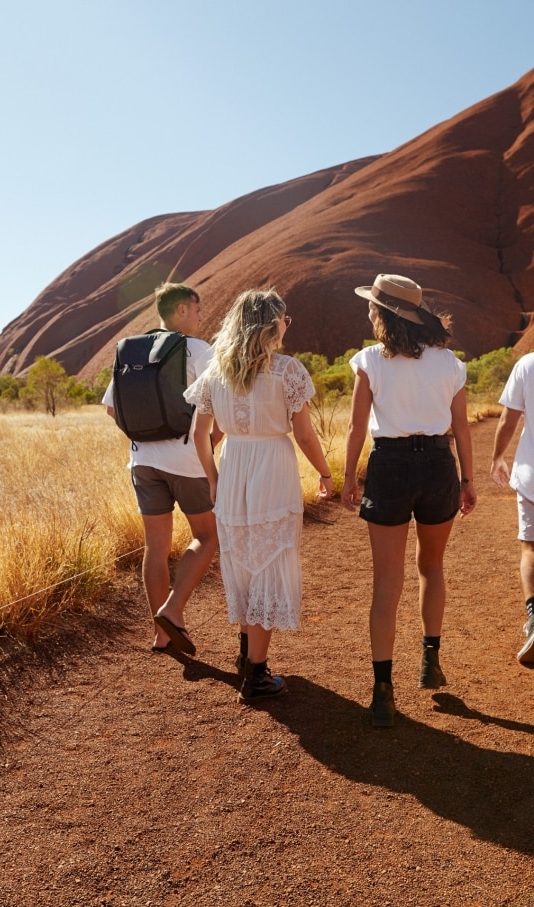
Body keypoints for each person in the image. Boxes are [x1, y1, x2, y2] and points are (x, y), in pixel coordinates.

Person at [184, 288, 334, 704]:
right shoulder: (287, 371)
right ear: (271, 324)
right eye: (284, 319)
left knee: (244, 558)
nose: (287, 326)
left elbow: (200, 436)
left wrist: (213, 480)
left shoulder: (217, 371)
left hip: (233, 467)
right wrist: (324, 472)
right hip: (273, 468)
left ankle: (247, 651)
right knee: (269, 559)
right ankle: (257, 674)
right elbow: (304, 434)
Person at [340, 274, 477, 728]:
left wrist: (347, 479)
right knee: (432, 566)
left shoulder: (371, 362)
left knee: (386, 583)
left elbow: (357, 429)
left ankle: (383, 692)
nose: (368, 310)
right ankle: (430, 660)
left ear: (384, 313)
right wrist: (468, 480)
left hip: (390, 467)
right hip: (439, 465)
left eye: (372, 305)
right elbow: (461, 428)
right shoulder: (450, 364)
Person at [103, 282, 220, 656]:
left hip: (142, 461)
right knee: (207, 535)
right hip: (187, 460)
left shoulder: (132, 350)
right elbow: (219, 403)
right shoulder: (198, 350)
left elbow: (110, 407)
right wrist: (208, 446)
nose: (201, 318)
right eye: (198, 311)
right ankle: (174, 609)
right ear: (182, 310)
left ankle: (161, 633)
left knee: (155, 547)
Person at [490, 351, 534, 667]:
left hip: (532, 477)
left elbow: (508, 419)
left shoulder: (527, 364)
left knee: (530, 550)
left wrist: (497, 457)